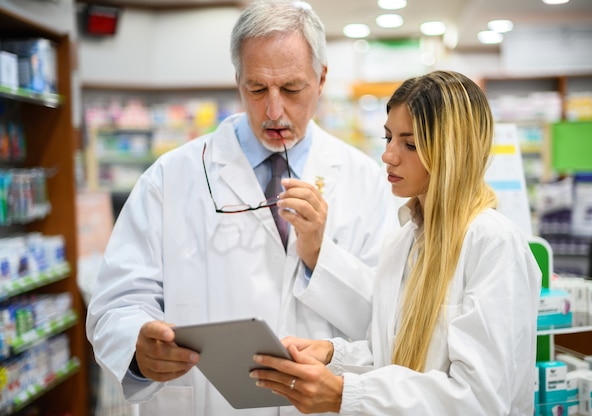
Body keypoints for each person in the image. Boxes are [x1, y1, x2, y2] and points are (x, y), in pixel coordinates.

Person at [85, 0, 398, 415]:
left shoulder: (366, 181)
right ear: (238, 81)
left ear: (321, 79)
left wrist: (322, 255)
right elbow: (117, 303)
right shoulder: (171, 178)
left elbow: (389, 318)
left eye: (290, 89)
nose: (273, 110)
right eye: (256, 89)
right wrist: (138, 348)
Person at [251, 70, 543, 415]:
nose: (388, 155)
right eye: (388, 137)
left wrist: (344, 394)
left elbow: (479, 399)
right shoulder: (404, 240)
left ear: (452, 150)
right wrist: (332, 354)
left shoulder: (493, 245)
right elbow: (392, 355)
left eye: (410, 144)